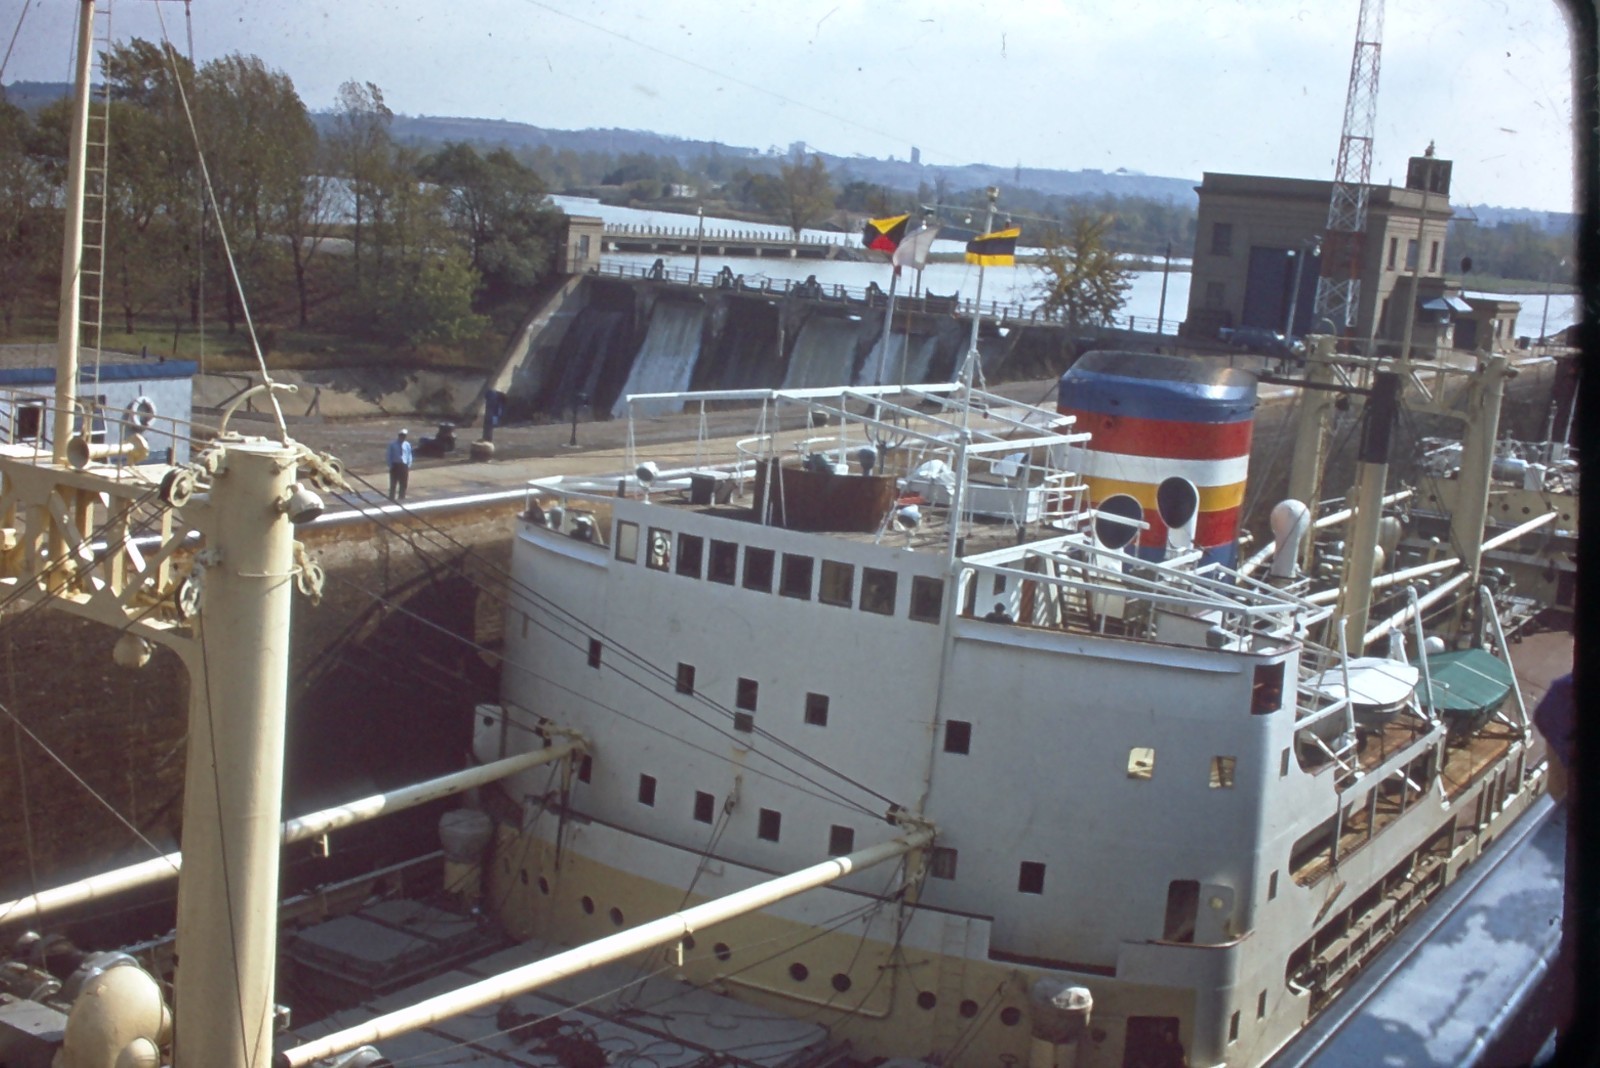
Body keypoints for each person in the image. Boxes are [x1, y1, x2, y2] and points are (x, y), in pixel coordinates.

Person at [387, 428, 413, 501]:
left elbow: (409, 454)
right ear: (399, 435)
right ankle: (391, 498)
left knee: (403, 484)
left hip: (404, 466)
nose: (403, 437)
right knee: (393, 484)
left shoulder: (407, 444)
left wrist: (408, 464)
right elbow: (389, 455)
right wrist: (390, 465)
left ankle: (401, 498)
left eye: (404, 436)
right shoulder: (393, 444)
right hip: (395, 465)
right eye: (402, 435)